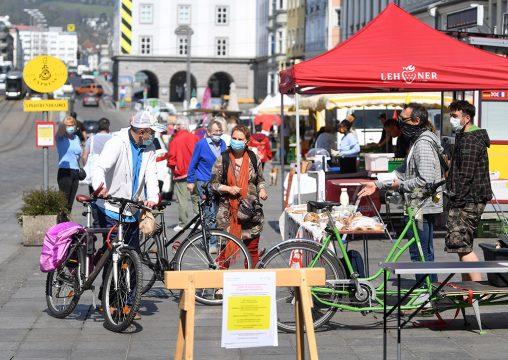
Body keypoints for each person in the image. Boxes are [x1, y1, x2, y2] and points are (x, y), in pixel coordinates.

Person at [358, 103, 444, 283]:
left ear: (416, 121)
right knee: (422, 252)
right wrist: (378, 184)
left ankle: (426, 294)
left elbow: (426, 180)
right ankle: (429, 291)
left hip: (421, 207)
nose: (399, 124)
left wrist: (400, 185)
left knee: (420, 252)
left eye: (402, 120)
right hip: (417, 205)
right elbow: (402, 170)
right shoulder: (417, 141)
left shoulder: (423, 144)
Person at [92, 111, 163, 318]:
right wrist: (100, 187)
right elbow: (100, 167)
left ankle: (129, 303)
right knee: (114, 255)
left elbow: (151, 175)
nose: (153, 136)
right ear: (141, 131)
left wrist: (153, 197)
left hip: (132, 208)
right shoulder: (117, 143)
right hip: (111, 207)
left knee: (131, 257)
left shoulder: (149, 147)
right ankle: (111, 300)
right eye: (150, 132)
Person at [445, 100, 493, 281]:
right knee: (462, 246)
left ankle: (478, 288)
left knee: (461, 244)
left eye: (455, 116)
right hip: (469, 197)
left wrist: (457, 199)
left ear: (467, 118)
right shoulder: (465, 137)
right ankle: (468, 289)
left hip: (469, 199)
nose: (452, 119)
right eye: (451, 115)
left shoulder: (471, 140)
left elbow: (466, 174)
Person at [210, 125, 268, 267]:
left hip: (250, 212)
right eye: (234, 138)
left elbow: (260, 180)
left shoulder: (254, 158)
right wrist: (229, 188)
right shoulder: (222, 159)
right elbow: (213, 184)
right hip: (228, 214)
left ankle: (251, 284)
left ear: (246, 141)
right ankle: (220, 287)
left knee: (252, 250)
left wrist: (262, 190)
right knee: (224, 252)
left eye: (240, 139)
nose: (236, 141)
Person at [187, 119, 227, 252]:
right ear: (208, 132)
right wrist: (190, 181)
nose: (218, 133)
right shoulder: (201, 144)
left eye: (220, 131)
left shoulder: (223, 144)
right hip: (203, 182)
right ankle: (212, 242)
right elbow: (193, 164)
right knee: (209, 213)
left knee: (215, 211)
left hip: (218, 183)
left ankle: (208, 237)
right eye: (215, 131)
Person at [168, 116, 199, 232]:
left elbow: (171, 157)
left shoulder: (175, 140)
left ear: (179, 126)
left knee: (182, 200)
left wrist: (173, 168)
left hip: (181, 173)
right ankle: (197, 221)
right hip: (195, 172)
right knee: (196, 198)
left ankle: (183, 223)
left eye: (176, 125)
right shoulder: (195, 138)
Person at [56, 116, 82, 211]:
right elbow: (60, 131)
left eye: (72, 125)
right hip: (65, 171)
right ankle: (61, 223)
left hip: (75, 172)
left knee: (70, 203)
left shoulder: (76, 138)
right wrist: (63, 124)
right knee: (63, 203)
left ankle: (67, 223)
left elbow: (78, 154)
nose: (70, 127)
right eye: (68, 125)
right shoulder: (60, 138)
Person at [82, 117, 112, 194]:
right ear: (108, 127)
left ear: (98, 127)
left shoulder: (91, 139)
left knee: (93, 196)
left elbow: (84, 156)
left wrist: (86, 166)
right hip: (109, 174)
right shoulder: (113, 139)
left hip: (94, 173)